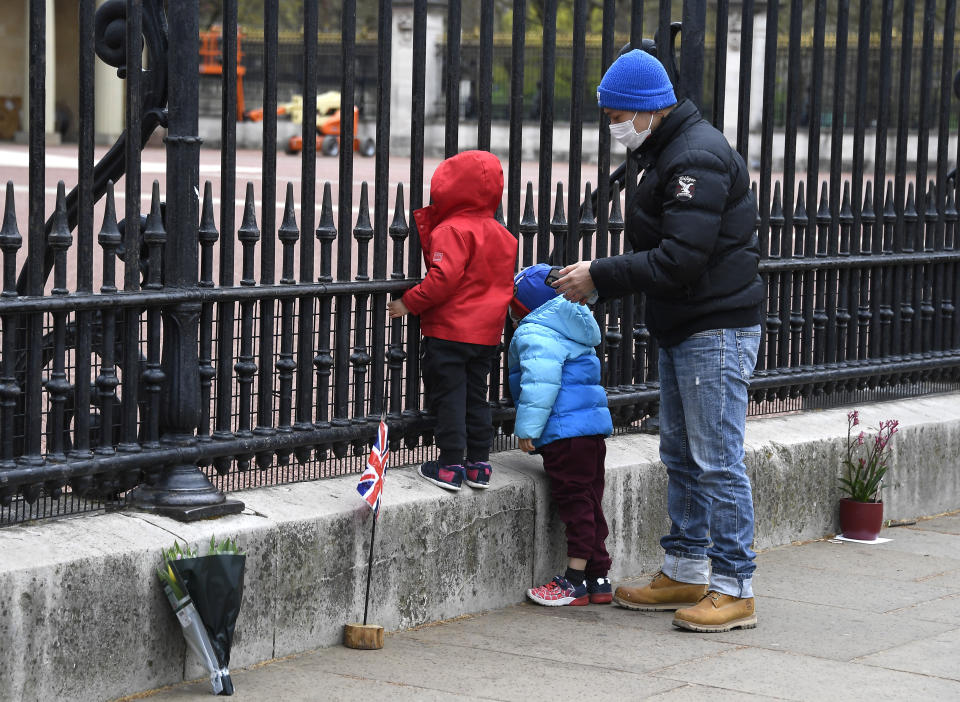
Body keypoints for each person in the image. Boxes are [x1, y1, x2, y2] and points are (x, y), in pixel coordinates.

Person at [552, 49, 764, 632]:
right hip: (687, 325)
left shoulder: (695, 155)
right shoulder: (665, 150)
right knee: (681, 454)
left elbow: (682, 258)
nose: (614, 126)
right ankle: (685, 568)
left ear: (650, 109)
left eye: (619, 114)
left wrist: (601, 275)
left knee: (716, 460)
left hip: (714, 328)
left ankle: (734, 586)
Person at [388, 150, 518, 491]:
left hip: (450, 331)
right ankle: (478, 465)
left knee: (449, 397)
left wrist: (409, 302)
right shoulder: (504, 235)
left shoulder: (451, 229)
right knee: (477, 398)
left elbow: (442, 279)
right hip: (487, 336)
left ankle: (448, 466)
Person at [508, 263, 614, 606]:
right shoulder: (574, 324)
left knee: (575, 503)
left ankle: (574, 581)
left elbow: (540, 384)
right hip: (590, 431)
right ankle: (599, 577)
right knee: (590, 499)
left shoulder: (533, 332)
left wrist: (527, 430)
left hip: (564, 433)